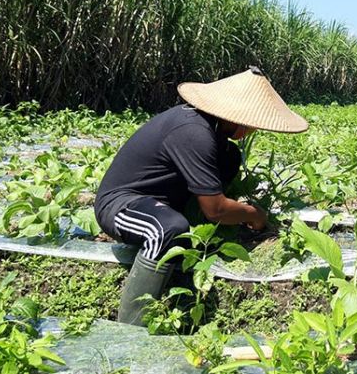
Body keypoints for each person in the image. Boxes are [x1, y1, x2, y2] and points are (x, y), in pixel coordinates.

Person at [94, 67, 308, 325]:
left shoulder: (213, 135)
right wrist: (253, 213)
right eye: (252, 125)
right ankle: (130, 328)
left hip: (161, 203)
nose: (252, 131)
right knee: (167, 230)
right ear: (236, 117)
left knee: (228, 158)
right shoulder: (192, 131)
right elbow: (215, 209)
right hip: (122, 206)